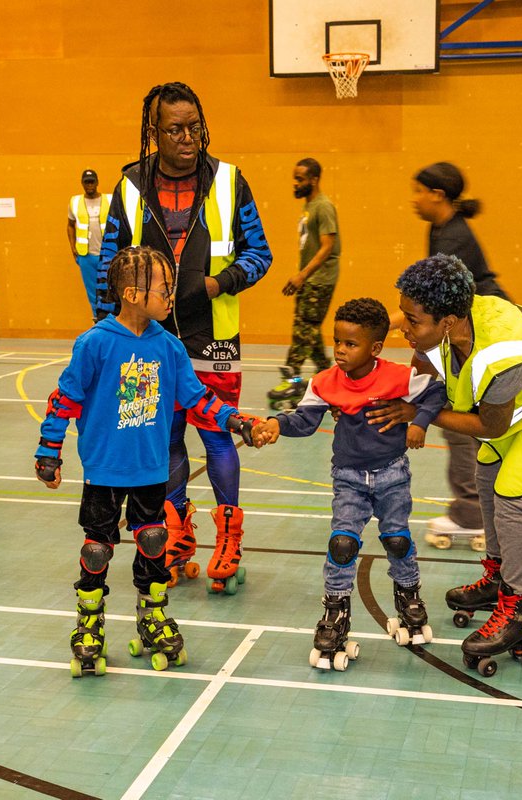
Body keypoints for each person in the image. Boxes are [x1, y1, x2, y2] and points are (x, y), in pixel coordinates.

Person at [34, 246, 259, 677]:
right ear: (133, 294)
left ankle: (152, 616)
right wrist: (49, 450)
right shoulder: (95, 343)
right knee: (98, 548)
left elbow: (197, 398)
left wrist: (238, 421)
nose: (171, 296)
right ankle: (89, 622)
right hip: (104, 468)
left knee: (154, 542)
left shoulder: (169, 347)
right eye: (164, 288)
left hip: (151, 469)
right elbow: (64, 399)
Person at [380, 254, 522, 678]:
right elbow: (427, 371)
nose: (404, 328)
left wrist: (416, 415)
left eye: (412, 320)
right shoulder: (457, 322)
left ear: (447, 321)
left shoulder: (501, 355)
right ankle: (498, 578)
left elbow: (487, 425)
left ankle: (521, 607)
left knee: (513, 496)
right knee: (487, 472)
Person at [98, 81, 272, 594]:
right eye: (175, 129)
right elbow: (109, 260)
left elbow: (259, 253)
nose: (188, 137)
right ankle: (175, 535)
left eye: (195, 126)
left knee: (216, 433)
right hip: (145, 341)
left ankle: (229, 537)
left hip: (212, 334)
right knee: (163, 437)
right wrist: (111, 325)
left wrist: (215, 284)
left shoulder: (231, 180)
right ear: (153, 133)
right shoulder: (129, 185)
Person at [254, 298, 446, 671]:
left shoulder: (397, 376)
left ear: (375, 348)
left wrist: (418, 420)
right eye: (337, 341)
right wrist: (277, 424)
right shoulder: (325, 382)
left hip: (392, 473)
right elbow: (305, 419)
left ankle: (409, 599)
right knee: (342, 545)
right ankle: (335, 615)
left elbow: (436, 393)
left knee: (397, 539)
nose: (340, 350)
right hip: (349, 478)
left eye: (351, 344)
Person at [411, 162, 510, 552]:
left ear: (438, 195)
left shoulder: (453, 237)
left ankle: (473, 513)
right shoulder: (438, 228)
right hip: (468, 327)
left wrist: (386, 326)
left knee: (460, 420)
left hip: (482, 331)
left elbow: (431, 304)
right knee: (460, 420)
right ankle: (480, 507)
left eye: (419, 191)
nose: (413, 199)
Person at [267, 158, 340, 410]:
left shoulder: (324, 206)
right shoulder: (309, 206)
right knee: (311, 331)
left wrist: (302, 275)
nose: (295, 183)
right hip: (310, 280)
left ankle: (293, 379)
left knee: (303, 330)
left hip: (319, 280)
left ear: (314, 180)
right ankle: (330, 378)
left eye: (300, 178)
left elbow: (328, 247)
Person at [67, 169, 109, 318]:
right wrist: (73, 248)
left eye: (92, 182)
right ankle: (97, 320)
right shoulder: (75, 202)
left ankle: (111, 321)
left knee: (110, 290)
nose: (89, 185)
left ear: (97, 182)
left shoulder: (109, 200)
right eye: (86, 182)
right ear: (82, 184)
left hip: (107, 254)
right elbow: (70, 225)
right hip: (86, 255)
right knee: (92, 292)